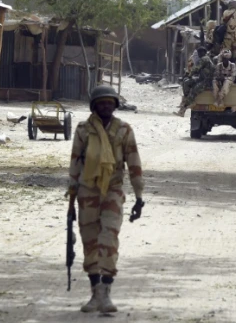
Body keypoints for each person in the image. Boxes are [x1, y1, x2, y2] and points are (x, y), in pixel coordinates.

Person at [68, 85, 145, 314]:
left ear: (115, 105)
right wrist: (71, 200)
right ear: (94, 106)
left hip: (112, 191)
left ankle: (106, 291)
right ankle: (95, 293)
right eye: (101, 103)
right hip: (87, 193)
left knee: (109, 240)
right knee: (90, 242)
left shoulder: (124, 130)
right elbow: (75, 165)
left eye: (109, 102)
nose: (106, 106)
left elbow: (134, 164)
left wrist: (139, 197)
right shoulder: (83, 130)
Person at [175, 47, 214, 116]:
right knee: (187, 82)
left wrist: (189, 75)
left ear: (203, 53)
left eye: (199, 53)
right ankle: (186, 99)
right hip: (202, 79)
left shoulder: (204, 59)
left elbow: (196, 68)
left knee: (193, 91)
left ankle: (183, 109)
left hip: (207, 82)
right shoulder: (205, 59)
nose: (198, 54)